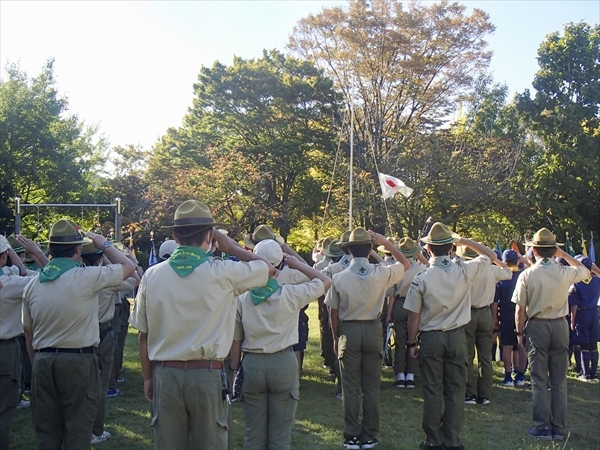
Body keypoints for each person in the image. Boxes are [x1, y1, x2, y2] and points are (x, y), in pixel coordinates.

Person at [129, 200, 276, 450]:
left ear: (175, 236)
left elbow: (143, 334)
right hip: (206, 374)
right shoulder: (225, 272)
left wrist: (147, 377)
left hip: (165, 372)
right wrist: (232, 247)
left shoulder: (152, 276)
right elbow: (268, 269)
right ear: (211, 235)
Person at [22, 219, 136, 449]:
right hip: (78, 361)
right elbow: (129, 267)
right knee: (78, 429)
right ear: (78, 249)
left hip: (43, 360)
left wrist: (37, 361)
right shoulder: (86, 278)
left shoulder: (33, 284)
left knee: (47, 431)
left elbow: (28, 331)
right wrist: (103, 244)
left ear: (51, 249)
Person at [231, 239, 332, 449]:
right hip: (283, 361)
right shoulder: (292, 294)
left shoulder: (241, 298)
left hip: (252, 362)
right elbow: (325, 281)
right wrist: (297, 263)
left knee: (253, 434)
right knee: (280, 436)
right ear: (281, 266)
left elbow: (236, 339)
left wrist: (234, 368)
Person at [405, 222, 497, 450]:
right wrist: (465, 241)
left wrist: (410, 342)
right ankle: (453, 440)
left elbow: (413, 316)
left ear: (428, 249)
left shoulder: (422, 278)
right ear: (450, 247)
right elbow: (491, 255)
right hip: (457, 336)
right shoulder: (464, 270)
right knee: (456, 391)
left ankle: (433, 440)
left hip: (431, 337)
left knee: (432, 390)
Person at [325, 228, 410, 450]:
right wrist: (388, 244)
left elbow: (332, 313)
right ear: (371, 250)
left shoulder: (339, 277)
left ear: (348, 250)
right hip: (373, 330)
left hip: (348, 330)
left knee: (350, 388)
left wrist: (335, 338)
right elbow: (405, 264)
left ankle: (352, 435)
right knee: (372, 387)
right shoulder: (381, 273)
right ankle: (370, 434)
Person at [512, 228, 589, 442]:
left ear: (534, 250)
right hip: (560, 325)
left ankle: (542, 426)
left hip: (537, 326)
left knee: (539, 379)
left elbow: (520, 309)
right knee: (558, 380)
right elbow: (585, 270)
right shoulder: (563, 272)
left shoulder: (527, 274)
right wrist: (563, 255)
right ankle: (558, 427)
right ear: (554, 250)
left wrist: (519, 333)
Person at [80, 242, 139, 444]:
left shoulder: (74, 277)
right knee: (101, 384)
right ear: (99, 257)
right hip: (103, 332)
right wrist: (106, 258)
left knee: (80, 385)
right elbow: (135, 279)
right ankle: (95, 430)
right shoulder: (106, 277)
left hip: (79, 334)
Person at [0, 235, 44, 450]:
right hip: (4, 349)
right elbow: (41, 277)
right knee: (5, 405)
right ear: (3, 257)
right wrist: (16, 257)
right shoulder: (10, 283)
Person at [456, 244, 511, 405]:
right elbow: (508, 272)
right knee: (485, 356)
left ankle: (469, 392)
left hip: (468, 313)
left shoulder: (464, 269)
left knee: (467, 355)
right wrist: (496, 261)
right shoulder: (491, 270)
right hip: (486, 312)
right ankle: (484, 394)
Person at [387, 237, 427, 389]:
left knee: (400, 341)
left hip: (399, 303)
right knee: (413, 340)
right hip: (416, 306)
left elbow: (391, 294)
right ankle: (411, 374)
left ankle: (400, 374)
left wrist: (389, 313)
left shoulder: (397, 269)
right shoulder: (422, 269)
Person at [495, 249, 527, 387]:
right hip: (522, 315)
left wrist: (494, 318)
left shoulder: (502, 278)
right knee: (520, 346)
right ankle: (520, 375)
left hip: (507, 315)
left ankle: (508, 376)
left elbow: (495, 302)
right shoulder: (523, 276)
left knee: (507, 346)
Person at [568, 256, 599, 382]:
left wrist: (572, 320)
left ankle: (585, 373)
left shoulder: (576, 283)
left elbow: (574, 305)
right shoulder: (597, 281)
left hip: (582, 314)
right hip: (594, 313)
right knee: (593, 344)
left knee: (584, 344)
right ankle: (594, 373)